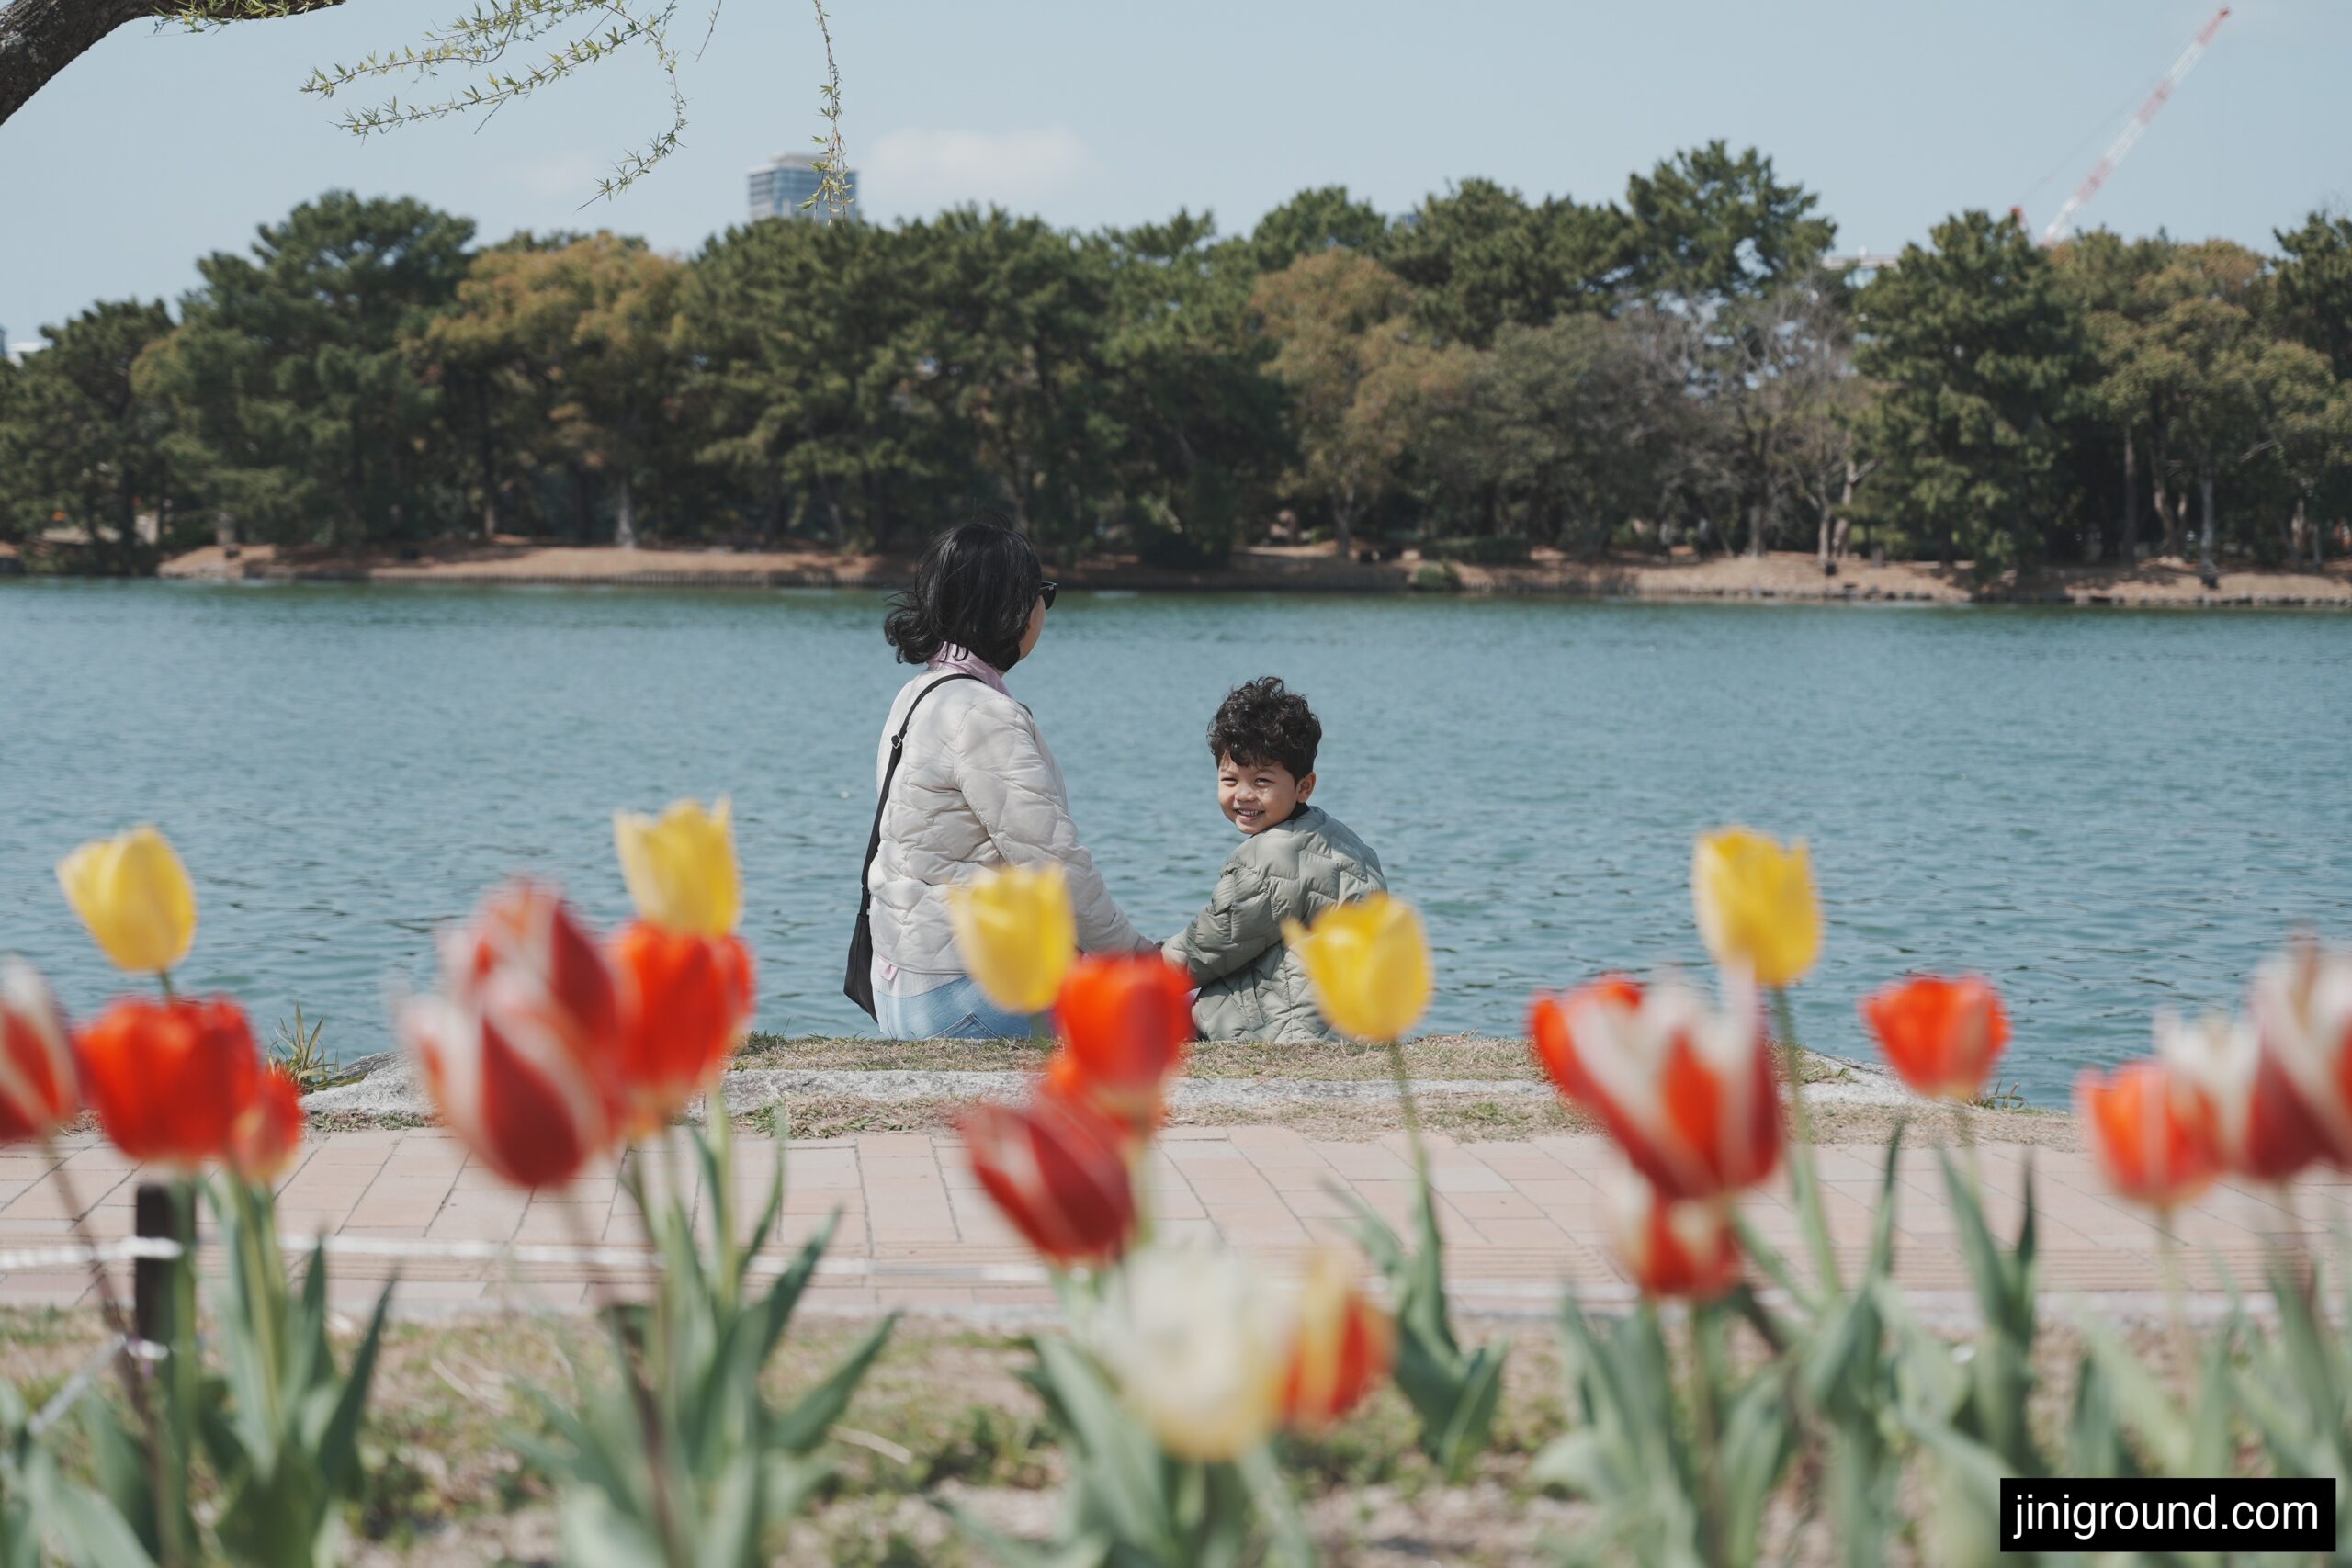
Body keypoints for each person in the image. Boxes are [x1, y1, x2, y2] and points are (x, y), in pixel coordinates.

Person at [864, 516, 1148, 1039]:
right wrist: (1136, 956)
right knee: (1155, 1018)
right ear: (1010, 606)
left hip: (901, 984)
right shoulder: (982, 715)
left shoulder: (920, 693)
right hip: (960, 995)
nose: (1044, 610)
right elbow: (1055, 868)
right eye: (1044, 594)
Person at [1163, 677, 1386, 1043]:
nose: (1244, 795)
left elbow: (1213, 944)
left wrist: (1145, 964)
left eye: (1262, 781)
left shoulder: (1271, 857)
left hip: (1287, 1032)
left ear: (1304, 786)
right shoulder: (1342, 838)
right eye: (1230, 779)